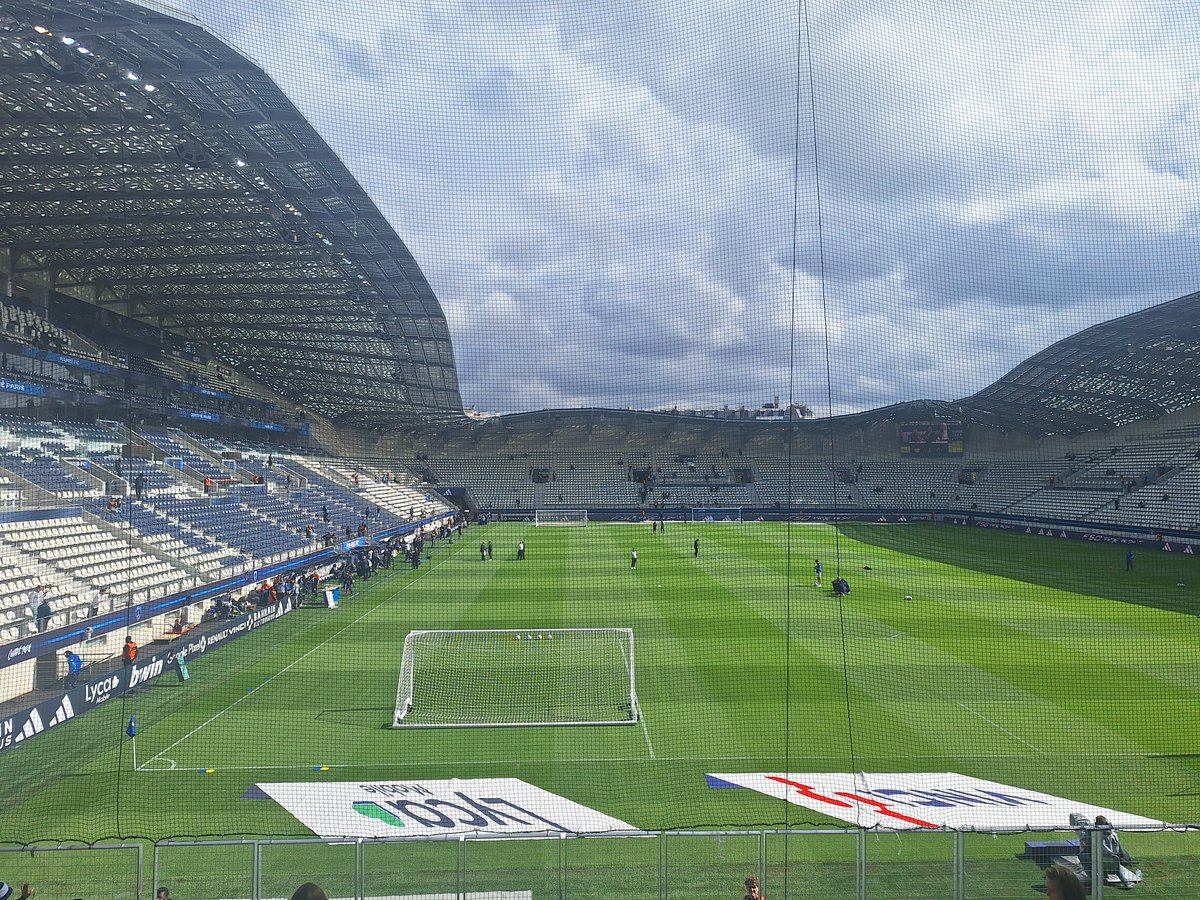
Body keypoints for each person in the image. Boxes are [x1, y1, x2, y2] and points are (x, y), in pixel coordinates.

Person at [1095, 815, 1140, 889]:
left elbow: (1108, 848)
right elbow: (1112, 849)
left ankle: (1098, 879)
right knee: (1116, 865)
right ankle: (1125, 881)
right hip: (1111, 858)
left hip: (1108, 858)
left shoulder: (1102, 835)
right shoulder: (1109, 834)